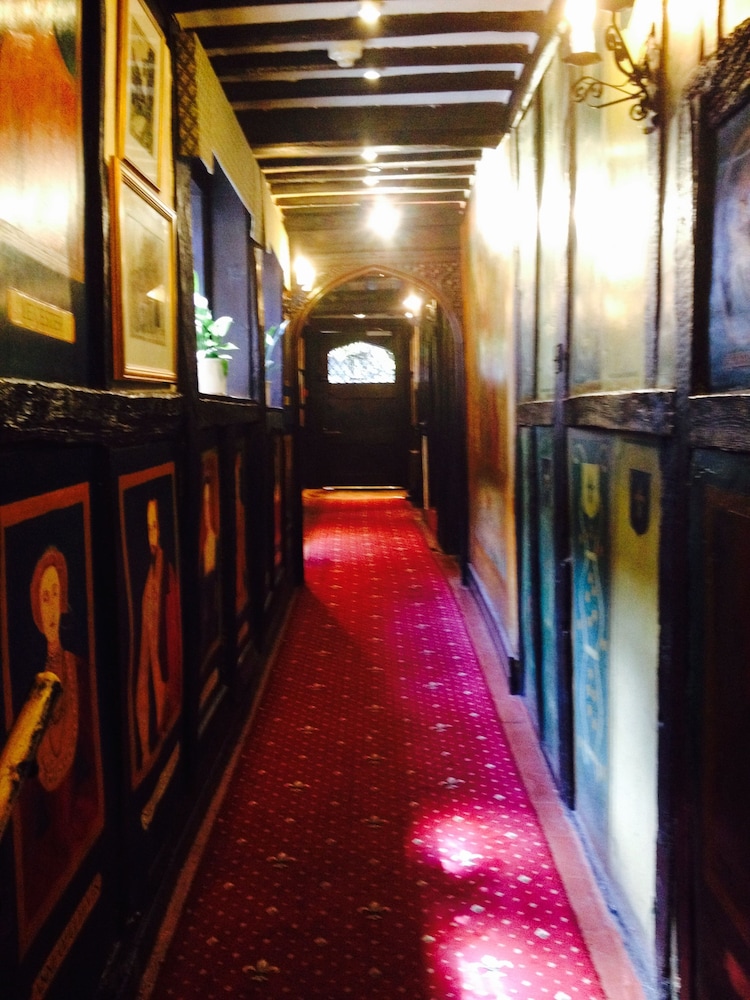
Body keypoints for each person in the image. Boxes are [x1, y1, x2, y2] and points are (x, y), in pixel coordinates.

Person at [135, 497, 182, 774]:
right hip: (149, 660)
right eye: (148, 528)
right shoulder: (147, 577)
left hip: (163, 658)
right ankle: (145, 750)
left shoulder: (166, 573)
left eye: (155, 527)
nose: (152, 534)